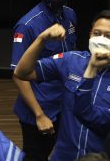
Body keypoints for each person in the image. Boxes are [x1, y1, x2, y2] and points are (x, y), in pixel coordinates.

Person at [14, 11, 110, 161]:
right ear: (90, 34)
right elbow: (23, 72)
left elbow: (89, 114)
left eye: (108, 36)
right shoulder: (71, 60)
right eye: (97, 33)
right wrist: (41, 39)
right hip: (64, 156)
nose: (101, 40)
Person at [10, 0, 76, 161]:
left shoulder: (70, 15)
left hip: (64, 104)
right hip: (39, 109)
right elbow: (18, 75)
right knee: (37, 156)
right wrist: (39, 115)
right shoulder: (28, 25)